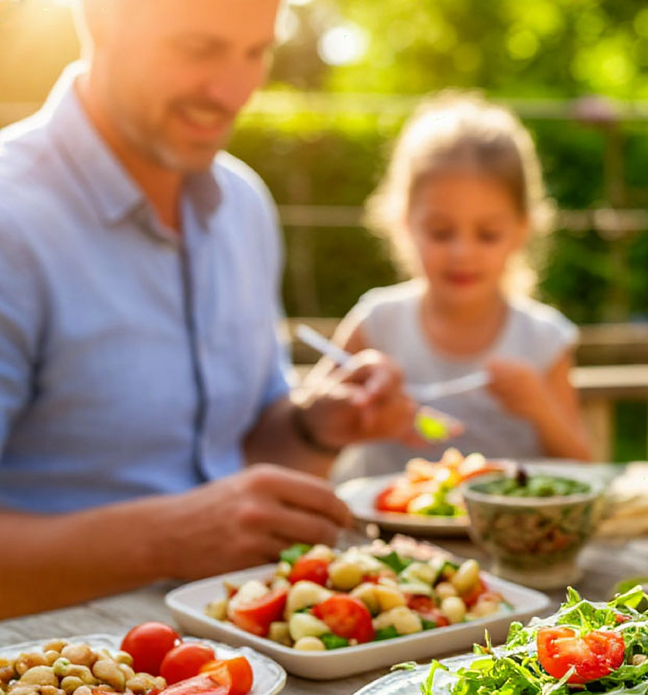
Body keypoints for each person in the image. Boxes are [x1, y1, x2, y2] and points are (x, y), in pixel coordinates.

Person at [0, 0, 416, 619]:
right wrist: (162, 540)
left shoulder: (243, 205)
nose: (232, 90)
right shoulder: (13, 219)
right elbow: (197, 528)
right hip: (50, 688)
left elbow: (241, 451)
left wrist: (314, 425)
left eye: (256, 52)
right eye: (200, 48)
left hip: (249, 653)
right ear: (100, 18)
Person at [325, 91, 591, 483]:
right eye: (440, 232)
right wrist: (358, 410)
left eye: (487, 234)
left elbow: (586, 468)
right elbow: (308, 423)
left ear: (521, 231)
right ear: (403, 223)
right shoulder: (377, 323)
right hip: (374, 538)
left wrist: (541, 408)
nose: (462, 253)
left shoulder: (543, 340)